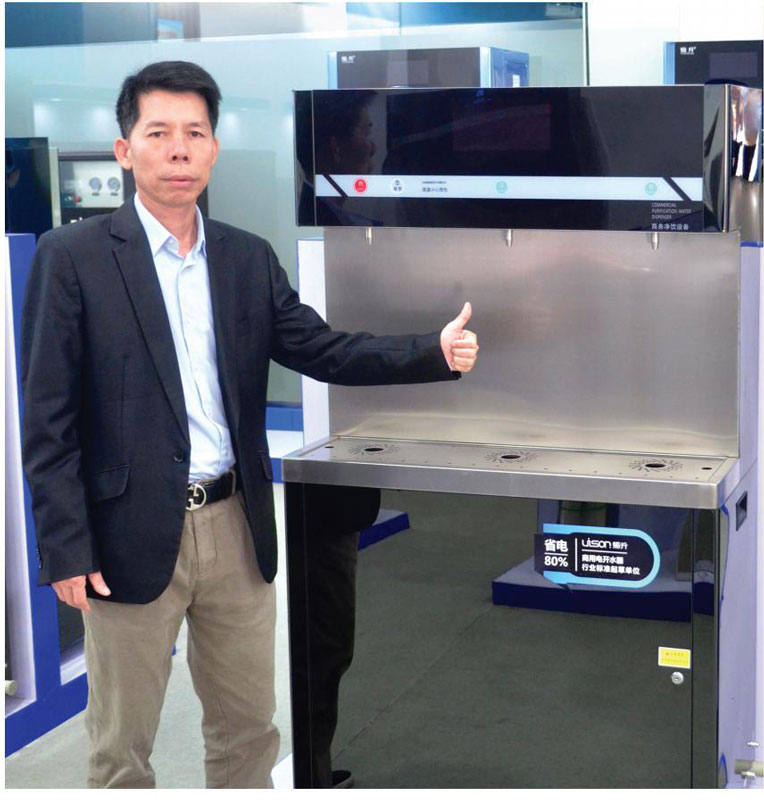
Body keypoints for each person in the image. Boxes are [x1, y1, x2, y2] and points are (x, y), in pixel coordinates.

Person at [21, 60, 479, 789]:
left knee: (248, 733)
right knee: (121, 750)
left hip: (235, 525)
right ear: (124, 150)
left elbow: (322, 348)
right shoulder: (72, 258)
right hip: (126, 533)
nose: (178, 149)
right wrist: (65, 546)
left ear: (214, 147)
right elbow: (49, 418)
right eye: (159, 133)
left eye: (195, 133)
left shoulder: (245, 258)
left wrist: (431, 352)